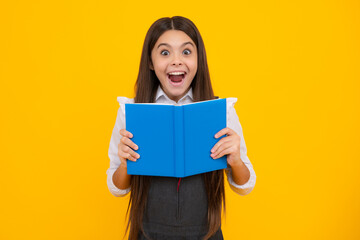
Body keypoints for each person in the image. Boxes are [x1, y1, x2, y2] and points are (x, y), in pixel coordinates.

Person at [106, 16, 256, 240]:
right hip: (147, 234)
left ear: (198, 60)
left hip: (205, 234)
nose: (176, 61)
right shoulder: (131, 112)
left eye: (186, 52)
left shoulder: (220, 111)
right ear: (150, 61)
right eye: (165, 52)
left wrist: (235, 160)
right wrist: (125, 165)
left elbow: (245, 185)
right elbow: (116, 188)